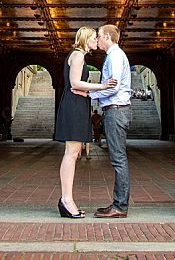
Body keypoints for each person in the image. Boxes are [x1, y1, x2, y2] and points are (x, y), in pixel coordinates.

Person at [54, 27, 117, 219]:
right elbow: (74, 83)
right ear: (85, 39)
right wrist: (102, 85)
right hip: (73, 105)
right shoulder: (78, 55)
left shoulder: (79, 56)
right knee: (71, 154)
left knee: (73, 153)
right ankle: (66, 200)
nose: (96, 41)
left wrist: (90, 93)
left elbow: (78, 86)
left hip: (78, 104)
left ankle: (67, 199)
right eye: (93, 38)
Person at [84, 24, 132, 218]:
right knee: (117, 158)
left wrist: (91, 95)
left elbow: (113, 87)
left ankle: (120, 206)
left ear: (106, 37)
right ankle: (118, 203)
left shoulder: (114, 56)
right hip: (115, 110)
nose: (97, 40)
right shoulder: (114, 56)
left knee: (118, 159)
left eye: (98, 36)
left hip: (116, 111)